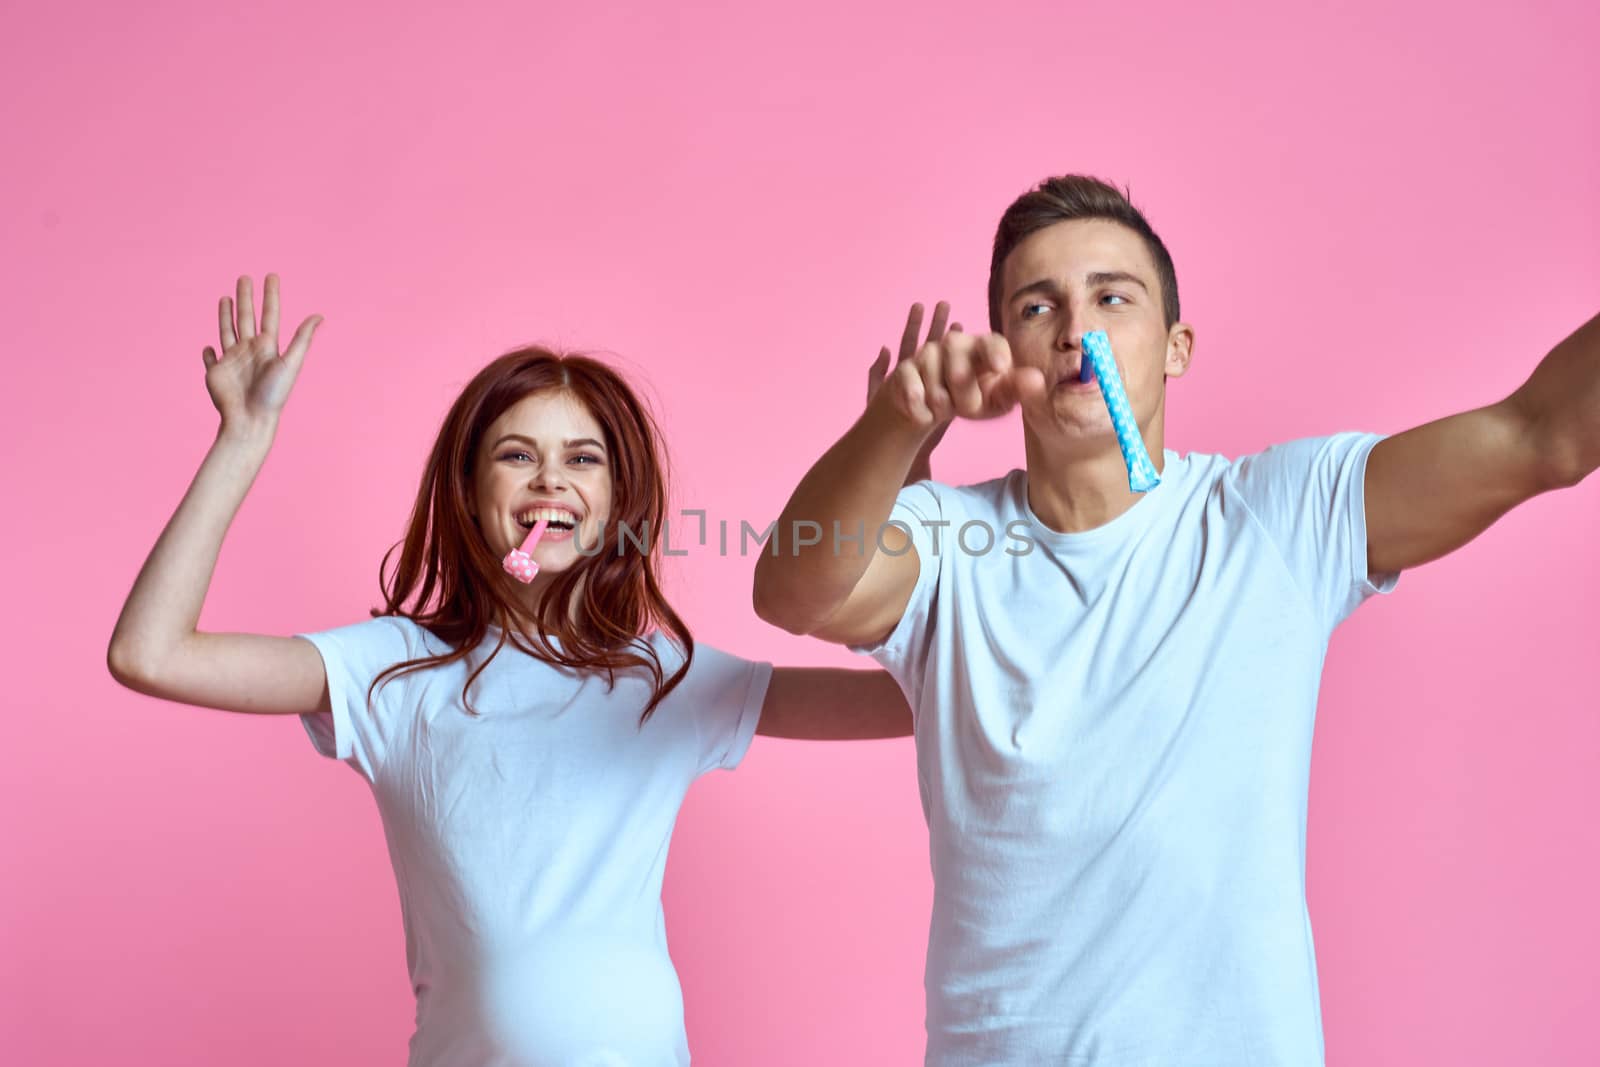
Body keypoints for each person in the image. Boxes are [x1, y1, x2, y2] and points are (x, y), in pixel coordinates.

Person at [753, 174, 1599, 1065]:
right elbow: (791, 592)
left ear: (1175, 345)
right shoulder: (947, 541)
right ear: (1003, 350)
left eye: (1112, 297)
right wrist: (898, 421)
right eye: (1038, 308)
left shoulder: (1274, 518)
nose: (1078, 330)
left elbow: (1543, 436)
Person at [107, 275, 915, 1067]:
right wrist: (242, 439)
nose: (551, 480)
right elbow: (150, 653)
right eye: (517, 454)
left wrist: (900, 470)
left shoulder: (664, 676)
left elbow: (920, 697)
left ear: (615, 503)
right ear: (468, 488)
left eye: (583, 459)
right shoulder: (389, 669)